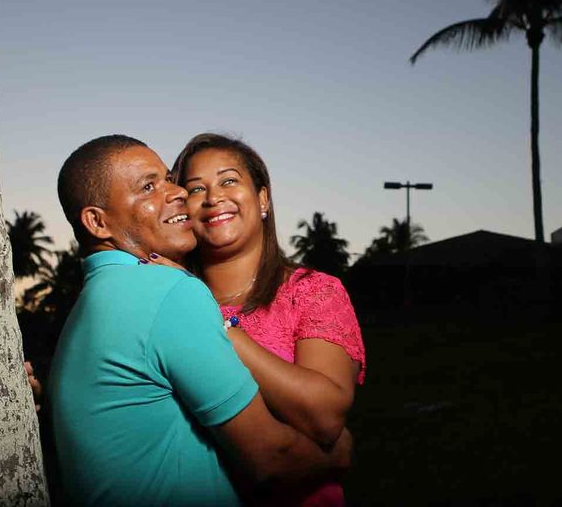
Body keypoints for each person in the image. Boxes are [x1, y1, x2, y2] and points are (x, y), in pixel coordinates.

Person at [48, 135, 350, 506]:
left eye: (167, 180)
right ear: (97, 221)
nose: (175, 193)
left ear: (263, 197)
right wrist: (339, 454)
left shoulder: (94, 302)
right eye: (149, 186)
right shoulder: (168, 291)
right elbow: (271, 457)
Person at [173, 133, 365, 507]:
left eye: (229, 180)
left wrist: (226, 333)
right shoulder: (169, 304)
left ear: (262, 198)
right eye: (196, 189)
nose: (214, 198)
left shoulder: (313, 292)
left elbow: (325, 417)